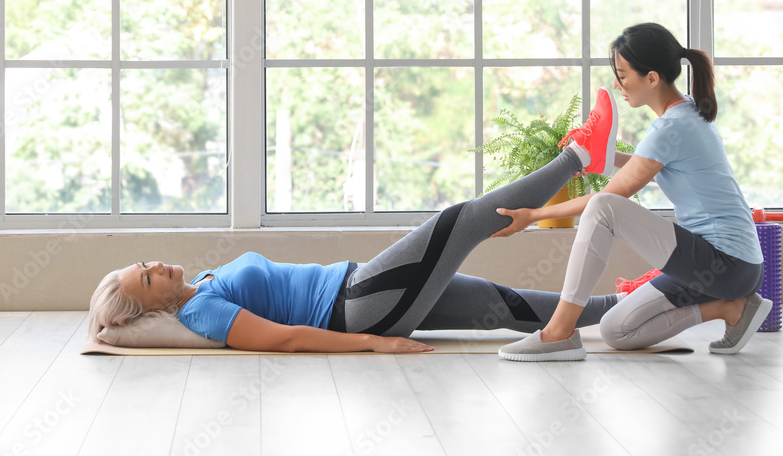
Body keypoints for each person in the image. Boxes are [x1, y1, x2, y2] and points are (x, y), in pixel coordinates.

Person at [87, 141, 624, 353]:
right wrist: (376, 344)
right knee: (457, 223)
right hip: (356, 304)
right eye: (150, 278)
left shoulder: (201, 286)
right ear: (155, 305)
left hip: (362, 287)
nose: (155, 265)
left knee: (498, 305)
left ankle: (633, 307)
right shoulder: (203, 311)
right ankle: (581, 156)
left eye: (144, 264)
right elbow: (288, 340)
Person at [496, 22, 771, 362]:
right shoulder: (685, 114)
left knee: (603, 207)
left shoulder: (672, 126)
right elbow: (650, 166)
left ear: (652, 78)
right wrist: (601, 158)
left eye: (623, 76)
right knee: (617, 331)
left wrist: (533, 215)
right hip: (721, 268)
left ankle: (559, 333)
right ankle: (729, 308)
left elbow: (609, 199)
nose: (617, 85)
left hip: (727, 263)